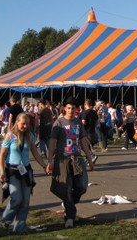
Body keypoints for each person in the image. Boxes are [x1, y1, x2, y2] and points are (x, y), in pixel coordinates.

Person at [46, 97, 95, 229]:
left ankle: (69, 203)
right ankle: (69, 216)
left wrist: (89, 159)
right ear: (64, 109)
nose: (71, 110)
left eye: (73, 108)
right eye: (68, 108)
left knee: (82, 186)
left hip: (77, 159)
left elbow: (83, 141)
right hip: (62, 159)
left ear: (76, 109)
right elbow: (52, 142)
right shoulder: (59, 123)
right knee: (66, 188)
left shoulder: (78, 123)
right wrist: (49, 161)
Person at [0, 113, 47, 233]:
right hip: (13, 171)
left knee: (25, 201)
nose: (25, 126)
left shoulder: (30, 136)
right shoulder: (9, 136)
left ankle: (19, 227)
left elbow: (35, 153)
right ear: (17, 122)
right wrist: (1, 171)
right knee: (16, 199)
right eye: (23, 123)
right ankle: (6, 220)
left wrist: (45, 166)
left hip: (25, 171)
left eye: (27, 124)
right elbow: (2, 155)